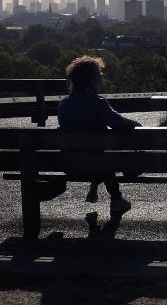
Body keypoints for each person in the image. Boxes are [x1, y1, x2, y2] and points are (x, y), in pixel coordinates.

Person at [57, 55, 140, 212]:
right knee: (102, 155)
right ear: (92, 80)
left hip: (69, 164)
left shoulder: (63, 104)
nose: (101, 79)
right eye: (99, 76)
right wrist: (137, 125)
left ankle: (96, 189)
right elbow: (118, 123)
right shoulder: (97, 102)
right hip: (96, 163)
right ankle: (116, 198)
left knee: (93, 149)